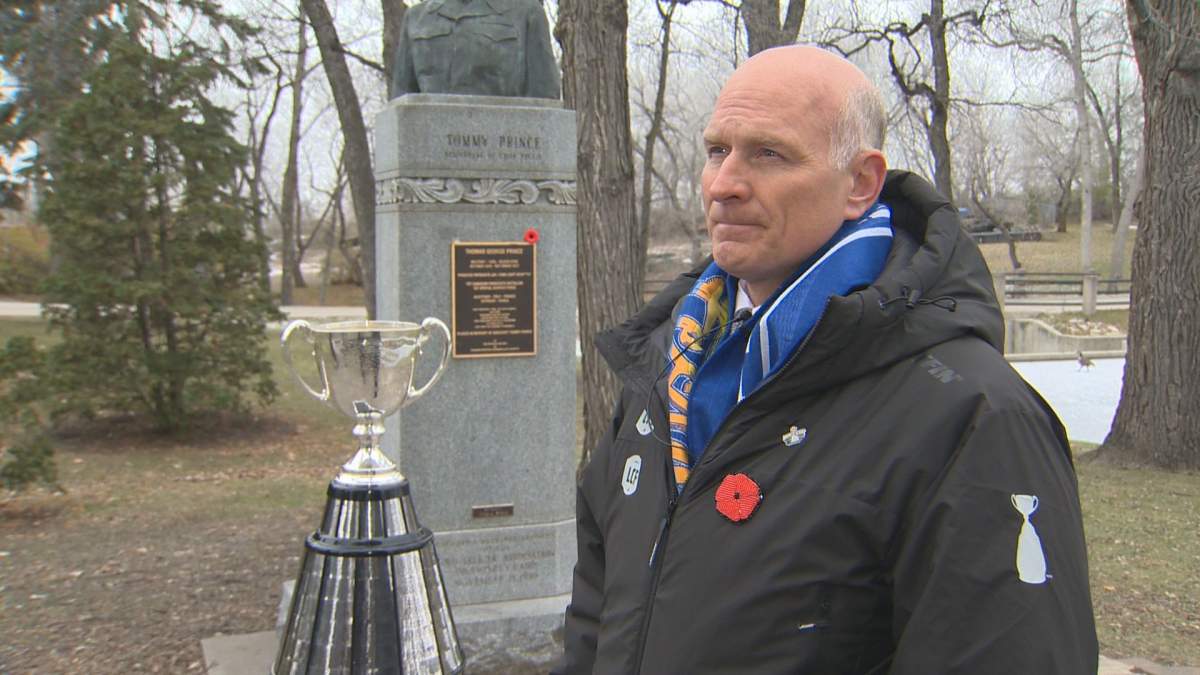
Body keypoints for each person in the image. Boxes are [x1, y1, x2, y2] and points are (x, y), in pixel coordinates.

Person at [554, 46, 1097, 674]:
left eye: (768, 154)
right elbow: (598, 607)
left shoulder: (974, 416)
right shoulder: (666, 370)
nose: (723, 184)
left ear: (860, 183)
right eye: (716, 151)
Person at [390, 0, 560, 99]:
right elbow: (401, 105)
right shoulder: (417, 18)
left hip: (504, 150)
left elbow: (545, 104)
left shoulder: (527, 14)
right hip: (426, 150)